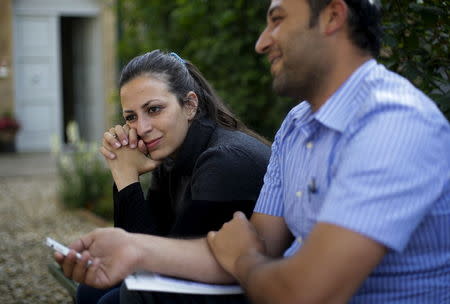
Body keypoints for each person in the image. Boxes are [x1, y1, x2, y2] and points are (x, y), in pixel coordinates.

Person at [56, 0, 450, 303]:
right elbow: (256, 243)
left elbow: (302, 291)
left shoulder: (395, 124)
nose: (262, 42)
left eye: (277, 20)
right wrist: (132, 248)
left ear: (332, 17)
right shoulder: (297, 127)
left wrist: (243, 260)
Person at [72, 49, 271, 304]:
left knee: (112, 299)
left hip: (251, 288)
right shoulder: (173, 154)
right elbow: (142, 245)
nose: (141, 128)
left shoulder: (224, 161)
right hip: (202, 281)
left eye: (154, 109)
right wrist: (125, 176)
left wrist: (126, 176)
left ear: (189, 105)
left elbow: (158, 266)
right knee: (90, 290)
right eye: (131, 117)